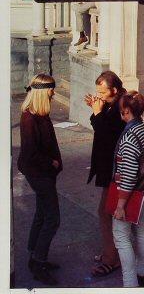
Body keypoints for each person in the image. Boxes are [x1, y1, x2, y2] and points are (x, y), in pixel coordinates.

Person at [17, 74, 62, 286]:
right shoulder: (29, 118)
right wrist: (51, 163)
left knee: (42, 213)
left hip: (45, 174)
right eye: (51, 91)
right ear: (43, 93)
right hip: (39, 174)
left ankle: (33, 256)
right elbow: (30, 155)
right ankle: (38, 263)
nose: (53, 94)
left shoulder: (40, 114)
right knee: (52, 218)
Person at [84, 71, 126, 277]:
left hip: (114, 171)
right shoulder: (111, 103)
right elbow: (99, 127)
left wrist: (98, 113)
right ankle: (112, 252)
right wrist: (96, 111)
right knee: (106, 213)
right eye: (97, 91)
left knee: (106, 213)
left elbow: (109, 136)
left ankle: (112, 258)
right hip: (108, 169)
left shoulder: (121, 108)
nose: (99, 95)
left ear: (114, 90)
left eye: (102, 92)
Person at [112, 91, 144, 288]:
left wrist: (120, 205)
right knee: (141, 229)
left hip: (131, 194)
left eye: (122, 112)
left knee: (121, 236)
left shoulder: (128, 138)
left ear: (126, 111)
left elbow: (128, 175)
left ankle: (130, 284)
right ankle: (142, 273)